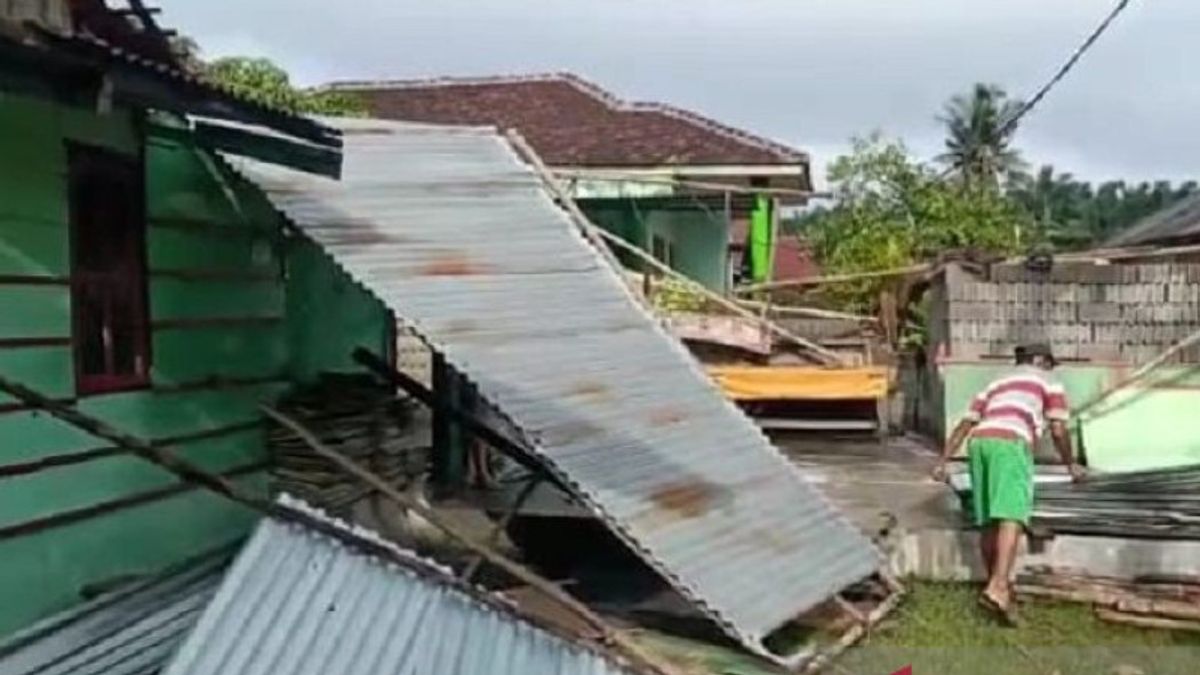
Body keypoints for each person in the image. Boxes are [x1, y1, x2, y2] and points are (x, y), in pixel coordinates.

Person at [931, 342, 1086, 623]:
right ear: (1040, 360)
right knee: (1012, 514)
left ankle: (993, 588)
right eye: (1049, 362)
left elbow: (965, 424)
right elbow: (1058, 428)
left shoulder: (995, 384)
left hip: (979, 443)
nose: (1051, 368)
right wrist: (1070, 464)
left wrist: (943, 461)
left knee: (989, 519)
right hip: (1009, 443)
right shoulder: (1048, 381)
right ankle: (1000, 586)